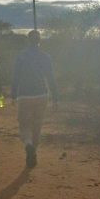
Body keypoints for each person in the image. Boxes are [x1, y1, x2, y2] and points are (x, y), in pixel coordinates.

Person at [11, 29, 59, 168]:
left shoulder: (21, 56)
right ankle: (34, 152)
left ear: (28, 40)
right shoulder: (46, 56)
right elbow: (51, 78)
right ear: (39, 41)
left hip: (24, 95)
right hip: (42, 95)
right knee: (37, 125)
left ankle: (28, 144)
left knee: (24, 125)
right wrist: (56, 98)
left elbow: (16, 77)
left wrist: (13, 95)